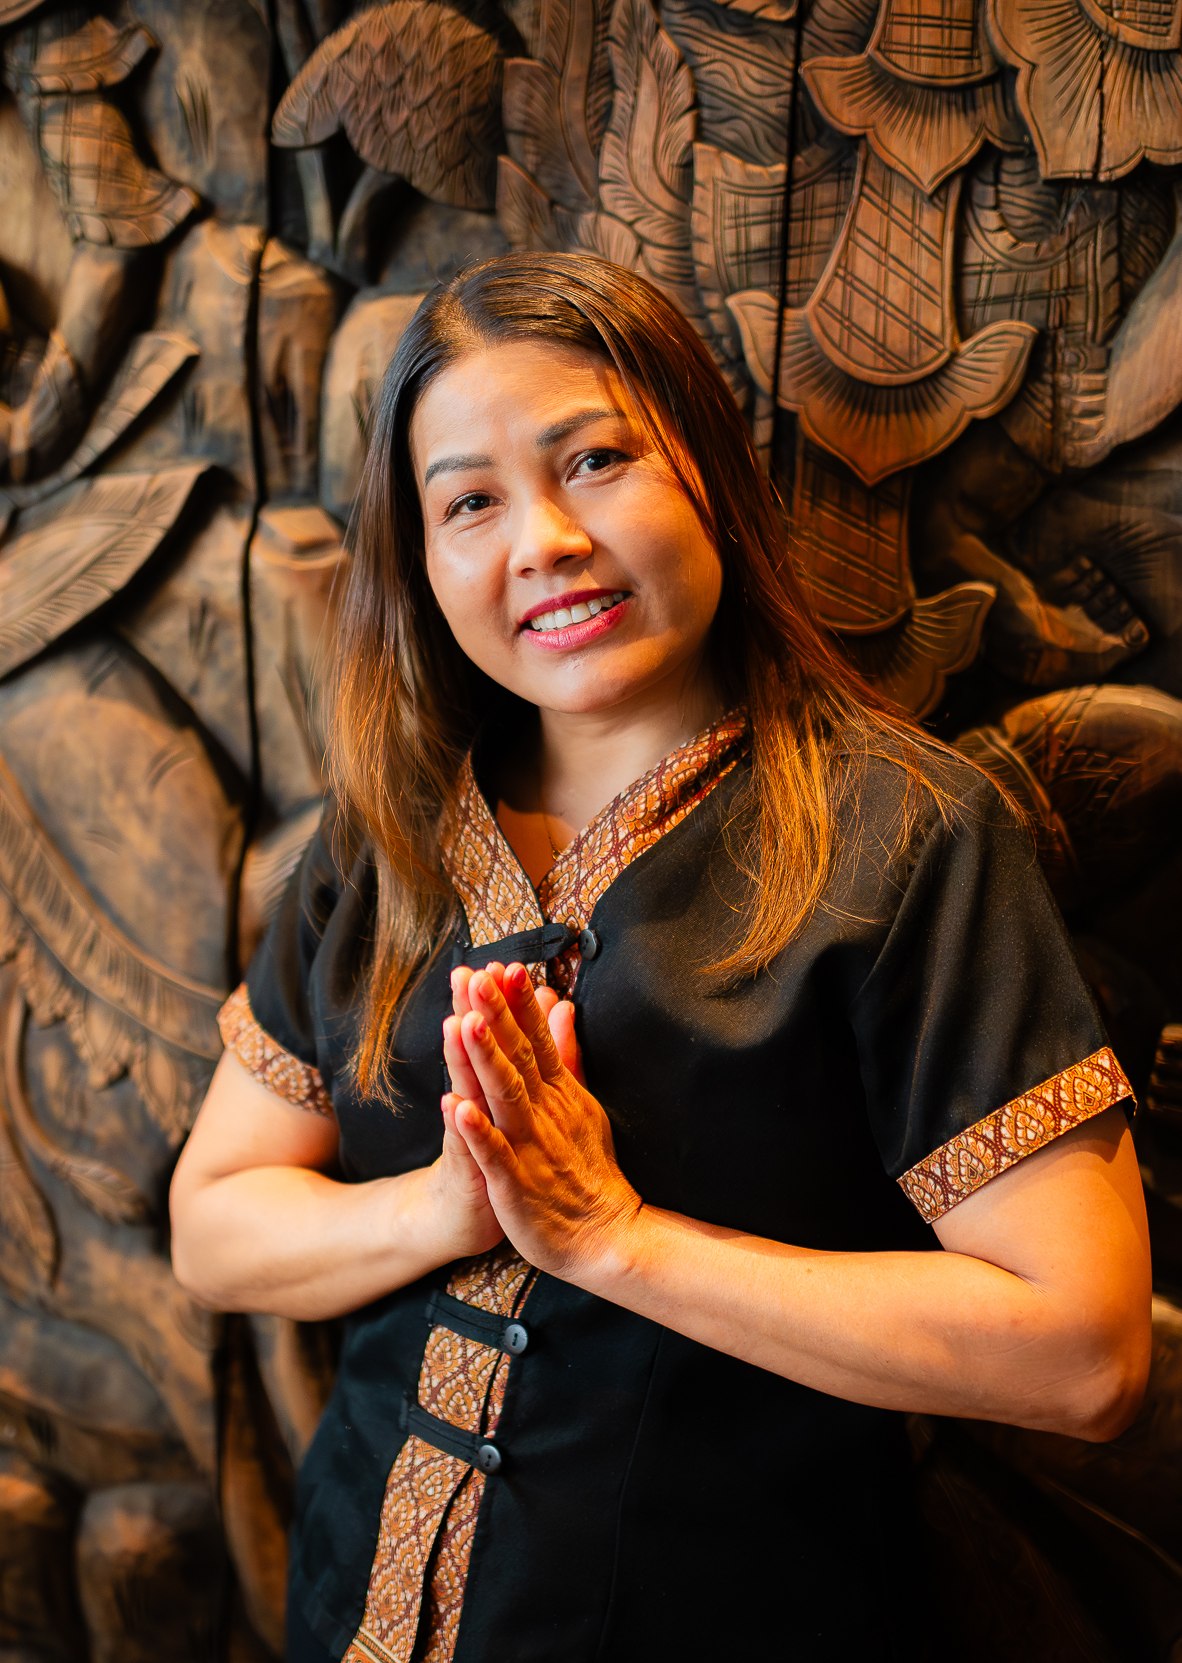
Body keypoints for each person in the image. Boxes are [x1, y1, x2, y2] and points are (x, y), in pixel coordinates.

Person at [169, 252, 1151, 1663]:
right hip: (345, 1613)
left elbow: (1083, 1353)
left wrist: (613, 1239)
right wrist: (445, 1208)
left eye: (595, 460)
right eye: (469, 502)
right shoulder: (385, 835)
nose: (544, 540)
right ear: (420, 561)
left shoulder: (903, 835)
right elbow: (213, 1224)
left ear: (709, 474)